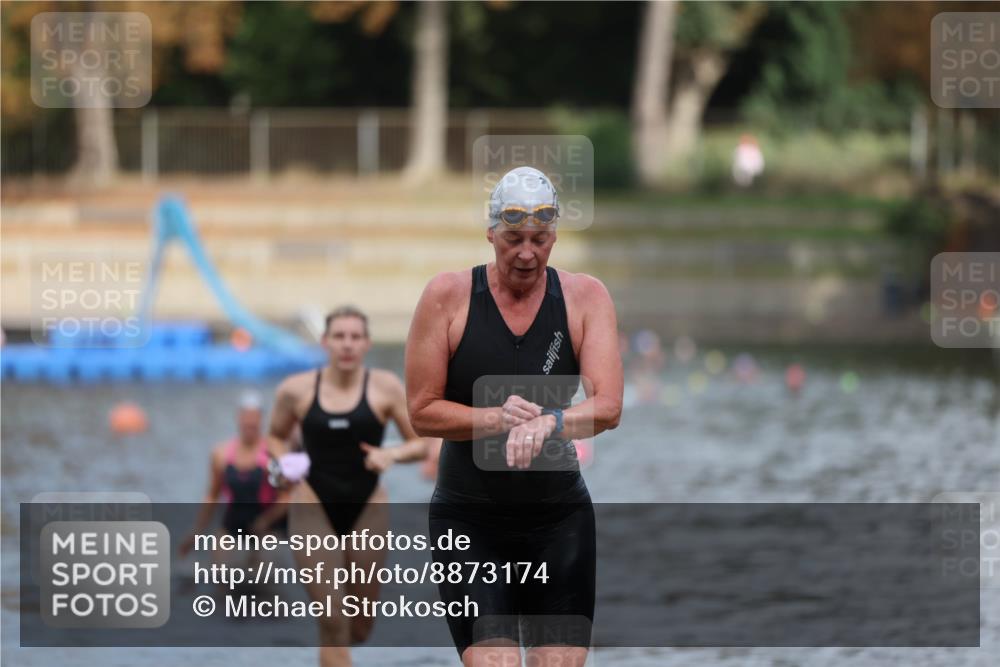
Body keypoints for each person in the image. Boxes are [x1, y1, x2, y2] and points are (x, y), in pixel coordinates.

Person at [405, 166, 624, 667]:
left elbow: (608, 407)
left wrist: (549, 420)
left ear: (554, 236)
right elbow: (421, 412)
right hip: (469, 520)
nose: (527, 252)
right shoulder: (448, 297)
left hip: (558, 519)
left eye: (540, 239)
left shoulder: (586, 297)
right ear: (490, 233)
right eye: (513, 238)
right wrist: (495, 419)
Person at [267, 305, 434, 667]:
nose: (347, 345)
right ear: (325, 341)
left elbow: (423, 443)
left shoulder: (386, 387)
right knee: (331, 619)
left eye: (355, 337)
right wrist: (282, 464)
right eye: (339, 337)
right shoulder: (296, 390)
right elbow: (276, 436)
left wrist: (391, 455)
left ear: (367, 344)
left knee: (358, 628)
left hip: (368, 508)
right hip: (312, 505)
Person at [178, 391, 287, 560]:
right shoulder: (220, 454)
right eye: (246, 417)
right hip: (232, 524)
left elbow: (287, 498)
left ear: (261, 419)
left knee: (264, 574)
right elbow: (212, 496)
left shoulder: (274, 454)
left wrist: (265, 521)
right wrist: (197, 531)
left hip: (266, 526)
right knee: (218, 570)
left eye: (254, 417)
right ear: (238, 418)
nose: (250, 422)